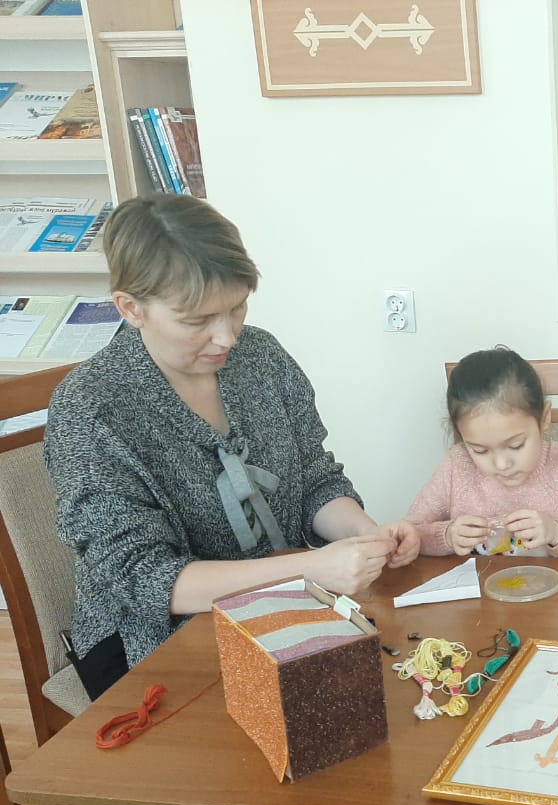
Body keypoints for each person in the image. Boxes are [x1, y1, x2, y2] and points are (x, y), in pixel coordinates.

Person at [44, 195, 420, 699]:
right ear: (131, 308)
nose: (227, 337)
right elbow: (147, 580)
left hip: (284, 601)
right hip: (148, 643)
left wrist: (366, 536)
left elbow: (314, 478)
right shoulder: (91, 409)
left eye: (237, 307)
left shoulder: (262, 358)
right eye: (197, 320)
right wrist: (309, 569)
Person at [404, 347, 558, 559]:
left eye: (516, 445)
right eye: (480, 450)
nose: (501, 464)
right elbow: (409, 535)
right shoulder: (457, 464)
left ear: (544, 418)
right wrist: (447, 536)